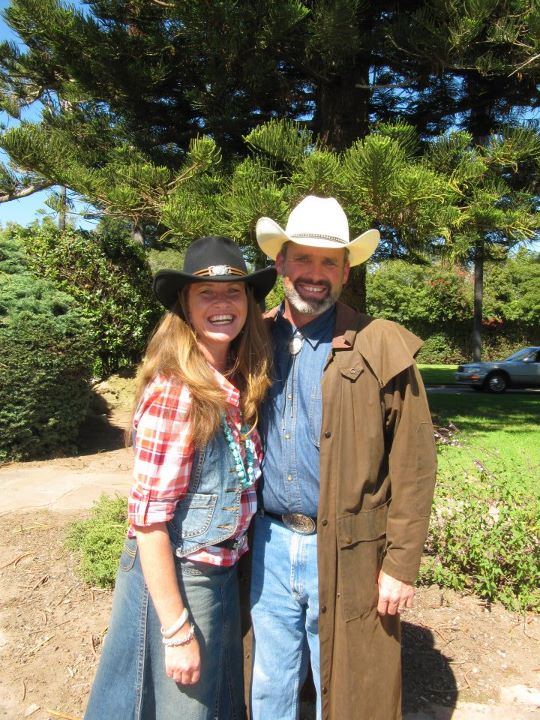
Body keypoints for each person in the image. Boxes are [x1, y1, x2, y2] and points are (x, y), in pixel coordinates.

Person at [249, 196, 437, 720]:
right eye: (303, 258)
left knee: (351, 689)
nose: (315, 274)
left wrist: (400, 565)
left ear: (346, 271)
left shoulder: (381, 344)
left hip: (351, 550)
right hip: (266, 544)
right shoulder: (253, 338)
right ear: (281, 262)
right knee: (268, 684)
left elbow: (415, 467)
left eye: (329, 262)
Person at [84, 235, 276, 720]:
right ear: (186, 307)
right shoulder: (177, 394)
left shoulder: (232, 382)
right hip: (183, 577)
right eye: (206, 293)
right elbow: (149, 523)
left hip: (220, 572)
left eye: (233, 292)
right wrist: (176, 630)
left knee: (219, 705)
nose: (222, 304)